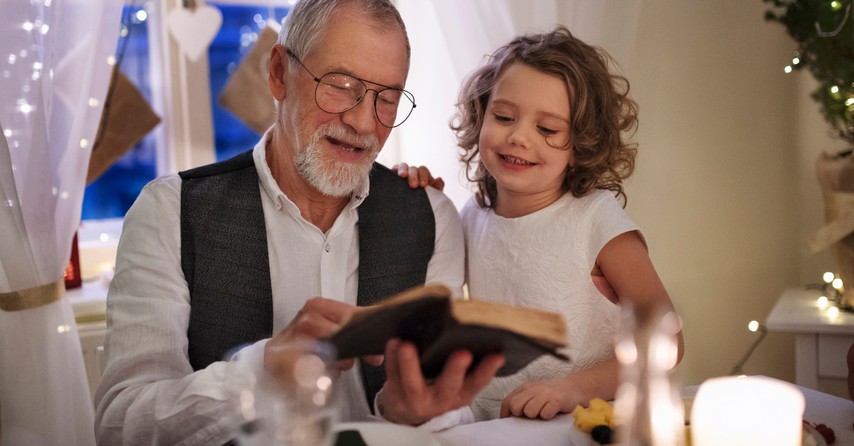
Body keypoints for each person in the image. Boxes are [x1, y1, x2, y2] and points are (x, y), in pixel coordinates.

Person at [93, 0, 504, 444]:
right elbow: (120, 423)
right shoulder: (168, 212)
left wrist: (417, 414)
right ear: (278, 73)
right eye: (341, 85)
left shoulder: (433, 216)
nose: (364, 122)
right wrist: (261, 369)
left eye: (388, 98)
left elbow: (448, 418)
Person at [398, 25, 684, 421]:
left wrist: (570, 389)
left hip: (582, 423)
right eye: (503, 116)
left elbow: (667, 340)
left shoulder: (597, 220)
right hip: (493, 426)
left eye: (547, 129)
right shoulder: (470, 218)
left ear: (581, 144)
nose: (518, 137)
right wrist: (410, 192)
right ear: (481, 115)